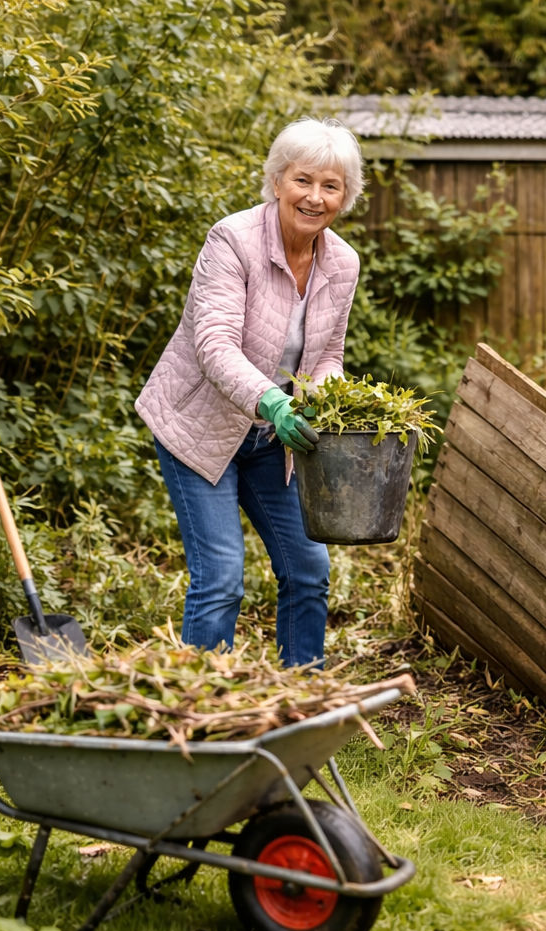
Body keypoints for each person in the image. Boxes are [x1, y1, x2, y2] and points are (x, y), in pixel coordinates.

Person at [135, 117, 365, 668]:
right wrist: (274, 402)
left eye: (331, 186)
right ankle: (202, 719)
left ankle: (300, 703)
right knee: (221, 578)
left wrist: (325, 400)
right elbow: (214, 344)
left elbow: (327, 355)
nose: (314, 197)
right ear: (278, 180)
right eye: (303, 180)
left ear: (346, 196)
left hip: (274, 441)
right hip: (200, 429)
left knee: (308, 570)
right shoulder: (232, 240)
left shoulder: (343, 263)